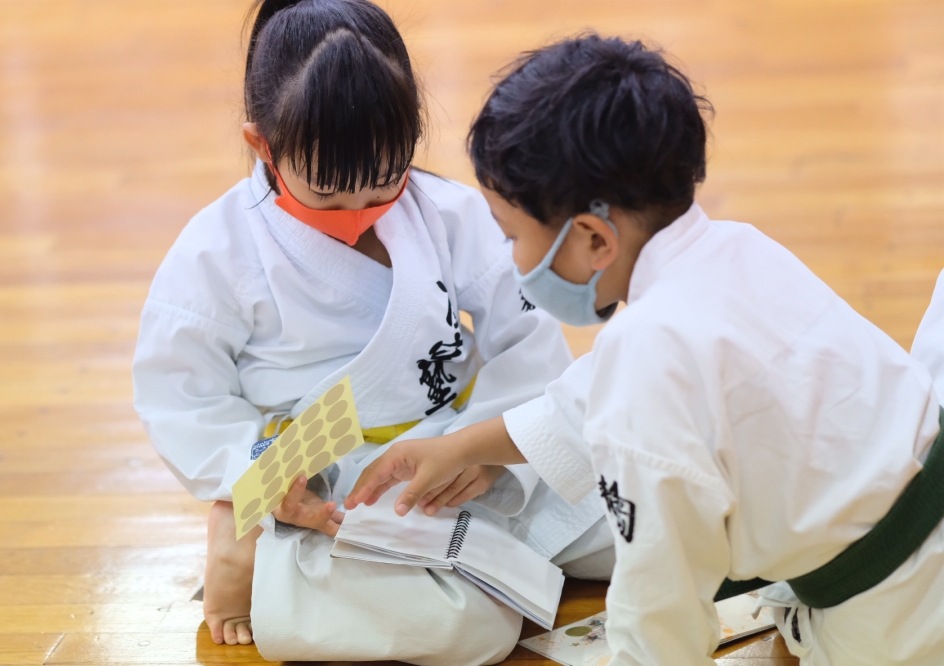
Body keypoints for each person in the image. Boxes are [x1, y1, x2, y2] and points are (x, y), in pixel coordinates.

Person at [346, 34, 944, 666]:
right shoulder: (736, 249)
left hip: (897, 622)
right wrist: (465, 446)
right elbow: (605, 390)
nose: (510, 259)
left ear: (593, 239)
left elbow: (659, 605)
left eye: (512, 234)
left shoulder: (649, 354)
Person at [132, 2, 615, 664]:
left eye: (384, 185)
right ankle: (256, 561)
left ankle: (494, 558)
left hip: (465, 456)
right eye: (328, 196)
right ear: (262, 145)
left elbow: (525, 338)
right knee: (470, 629)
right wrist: (257, 478)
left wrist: (486, 446)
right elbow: (180, 397)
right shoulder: (216, 255)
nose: (358, 214)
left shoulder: (447, 213)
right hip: (336, 495)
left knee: (640, 516)